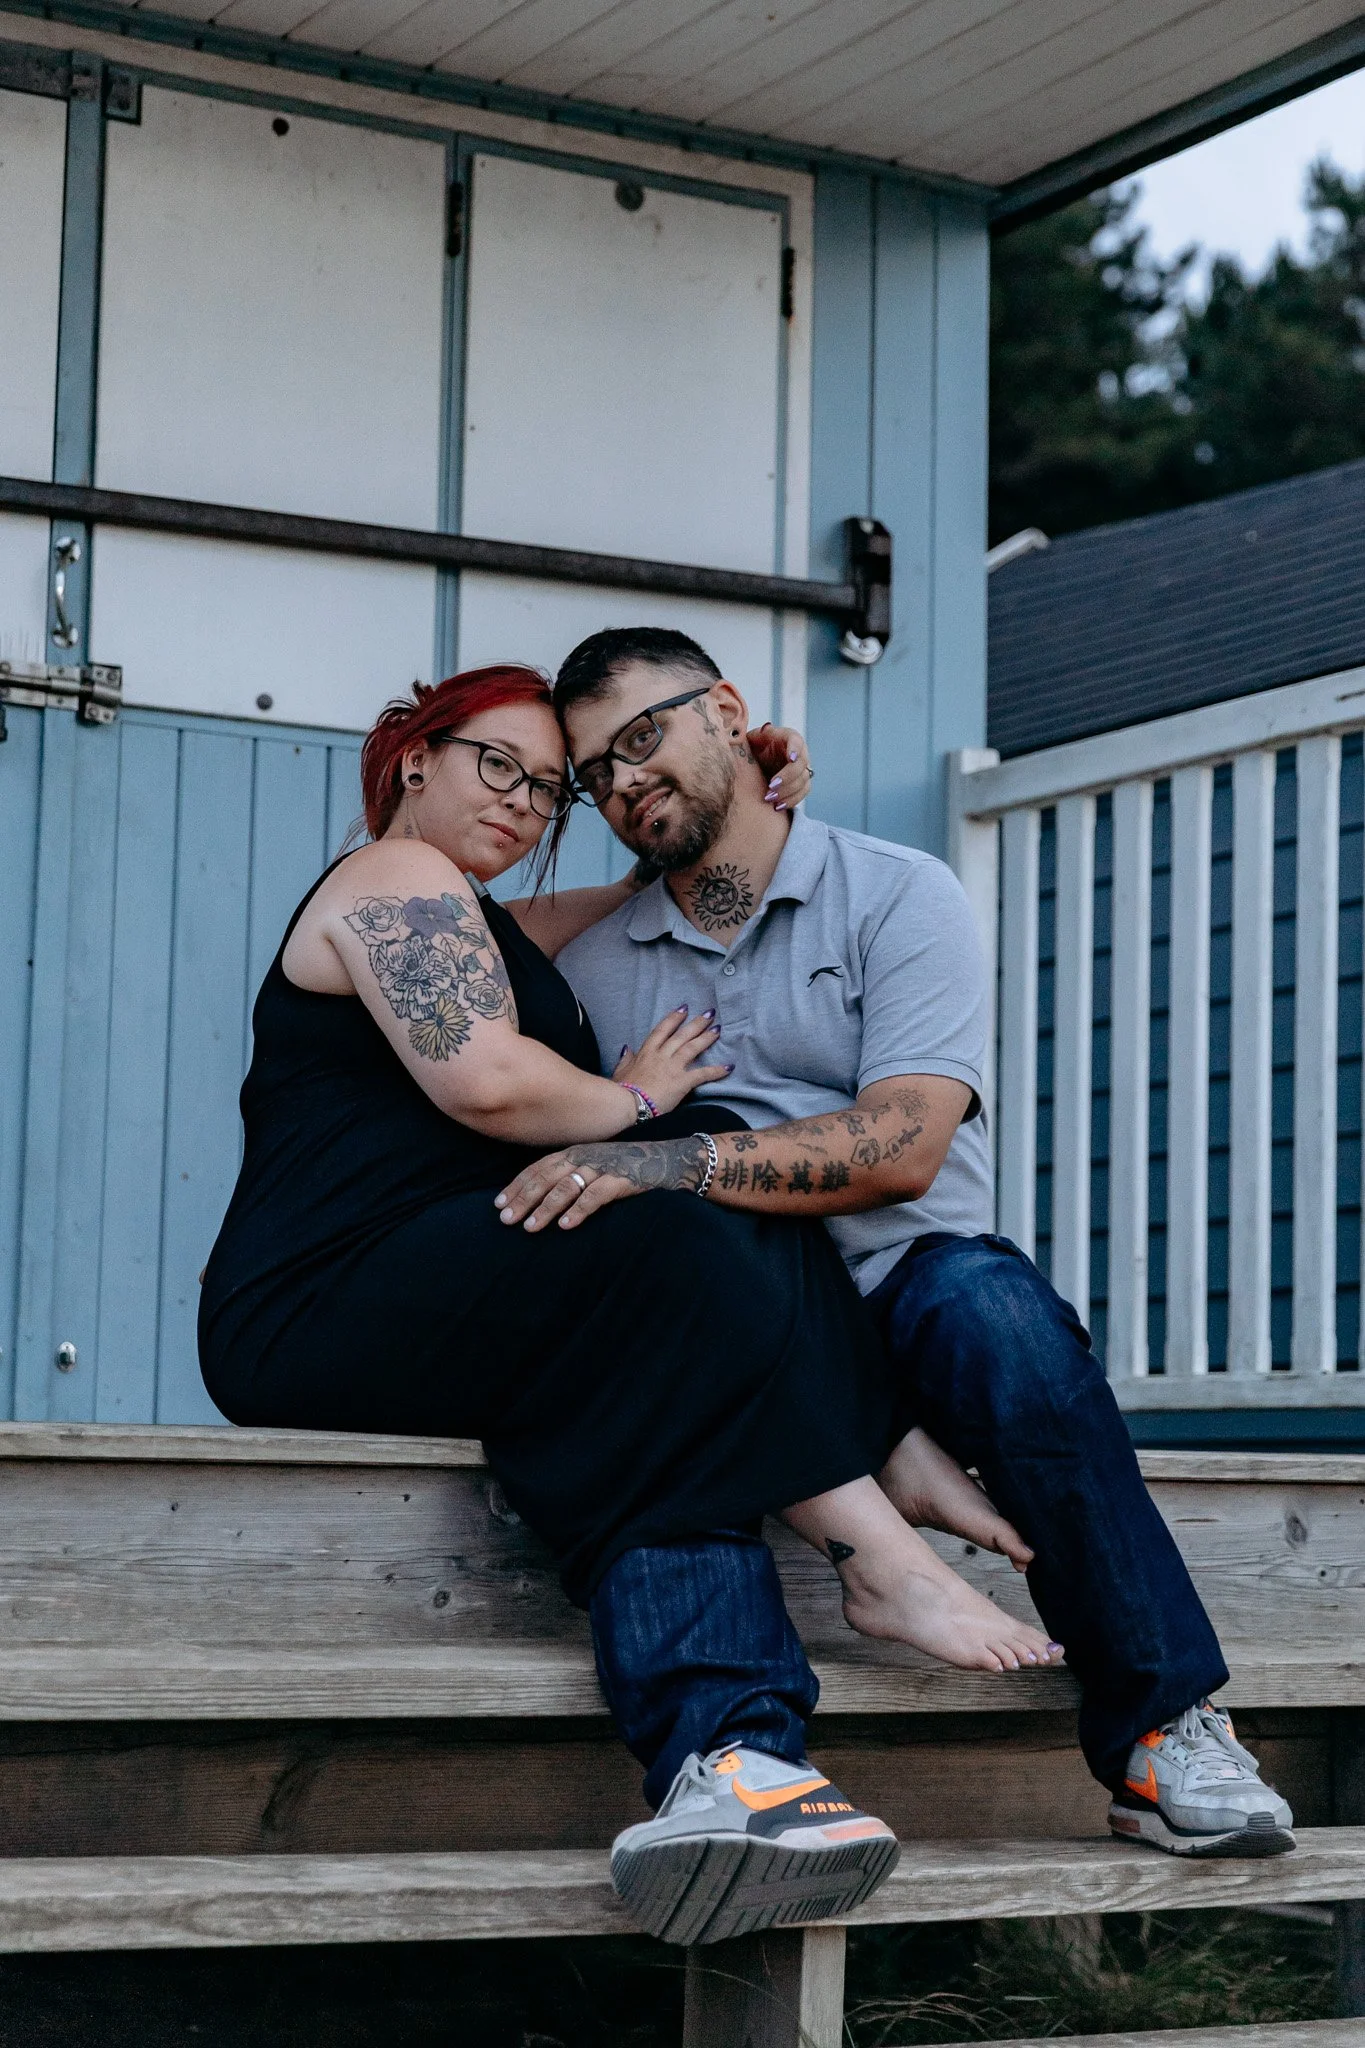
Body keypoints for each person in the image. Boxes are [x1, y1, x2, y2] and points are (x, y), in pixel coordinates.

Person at [197, 661, 1057, 1947]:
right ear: (415, 756)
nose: (529, 804)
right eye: (500, 764)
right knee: (672, 1182)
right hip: (317, 1293)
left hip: (450, 1285)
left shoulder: (483, 919)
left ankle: (740, 1766)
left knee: (709, 1213)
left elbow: (642, 897)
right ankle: (875, 1530)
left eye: (553, 788)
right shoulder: (392, 878)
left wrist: (754, 808)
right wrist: (639, 1113)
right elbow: (490, 1084)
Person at [493, 625, 1298, 1870]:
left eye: (646, 736)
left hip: (913, 1291)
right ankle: (763, 1722)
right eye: (596, 774)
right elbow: (457, 925)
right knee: (652, 1347)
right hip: (744, 1321)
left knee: (999, 1311)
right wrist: (653, 868)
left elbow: (904, 1145)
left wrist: (674, 1157)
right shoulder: (599, 964)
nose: (623, 782)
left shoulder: (898, 889)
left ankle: (1161, 1730)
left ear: (733, 712)